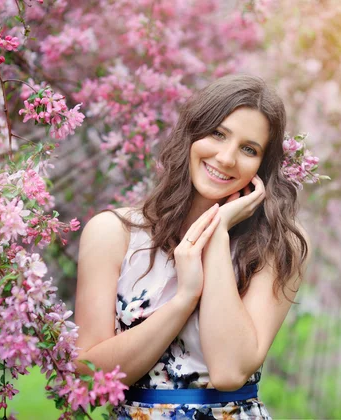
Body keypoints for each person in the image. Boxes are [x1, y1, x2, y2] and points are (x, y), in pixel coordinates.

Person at [74, 74, 311, 419]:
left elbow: (230, 372)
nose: (227, 158)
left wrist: (218, 237)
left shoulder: (278, 245)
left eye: (249, 149)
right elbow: (91, 370)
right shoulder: (114, 233)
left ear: (264, 166)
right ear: (192, 133)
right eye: (218, 133)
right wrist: (185, 298)